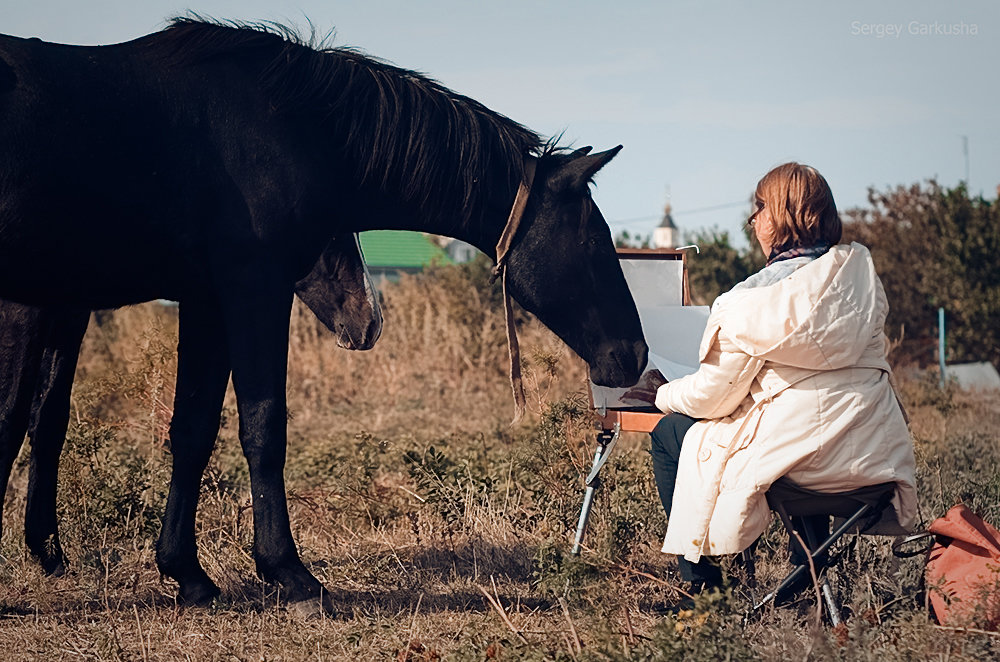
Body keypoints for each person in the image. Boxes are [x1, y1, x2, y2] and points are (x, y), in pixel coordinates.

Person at [628, 162, 917, 597]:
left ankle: (705, 592)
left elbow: (712, 398)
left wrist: (663, 393)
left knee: (673, 432)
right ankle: (808, 580)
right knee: (805, 421)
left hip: (793, 466)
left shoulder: (750, 300)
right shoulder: (862, 281)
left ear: (778, 216)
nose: (754, 222)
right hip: (871, 460)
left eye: (757, 210)